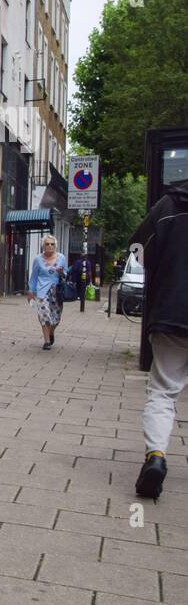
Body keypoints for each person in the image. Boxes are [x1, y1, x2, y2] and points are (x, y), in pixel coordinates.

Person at [130, 177, 188, 500]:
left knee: (164, 392)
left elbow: (140, 250)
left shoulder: (168, 205)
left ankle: (156, 457)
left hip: (173, 312)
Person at [27, 235, 67, 350]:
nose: (49, 246)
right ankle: (47, 341)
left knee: (56, 318)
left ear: (55, 246)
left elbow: (66, 274)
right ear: (43, 246)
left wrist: (61, 273)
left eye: (52, 244)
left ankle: (51, 332)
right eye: (47, 244)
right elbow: (34, 277)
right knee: (44, 316)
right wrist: (31, 292)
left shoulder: (61, 258)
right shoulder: (38, 259)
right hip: (42, 292)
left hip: (57, 292)